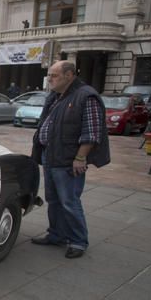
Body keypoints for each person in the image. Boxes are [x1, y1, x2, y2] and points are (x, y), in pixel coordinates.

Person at [30, 60, 110, 259]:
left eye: (54, 75)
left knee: (69, 201)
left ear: (69, 75)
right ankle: (56, 234)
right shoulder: (56, 96)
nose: (50, 79)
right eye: (49, 75)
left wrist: (80, 158)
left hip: (69, 159)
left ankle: (78, 241)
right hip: (50, 155)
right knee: (53, 199)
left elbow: (91, 132)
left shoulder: (86, 96)